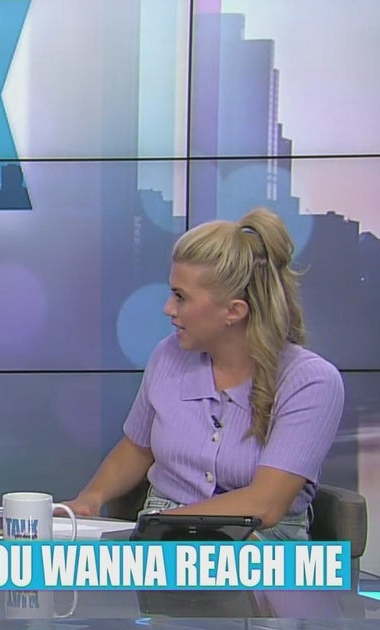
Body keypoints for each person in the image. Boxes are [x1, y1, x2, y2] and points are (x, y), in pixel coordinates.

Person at [65, 208, 344, 540]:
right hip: (161, 535)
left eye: (181, 297)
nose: (168, 308)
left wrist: (157, 528)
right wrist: (91, 498)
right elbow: (137, 448)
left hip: (260, 543)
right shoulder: (168, 356)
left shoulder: (310, 382)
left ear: (233, 311)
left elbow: (265, 504)